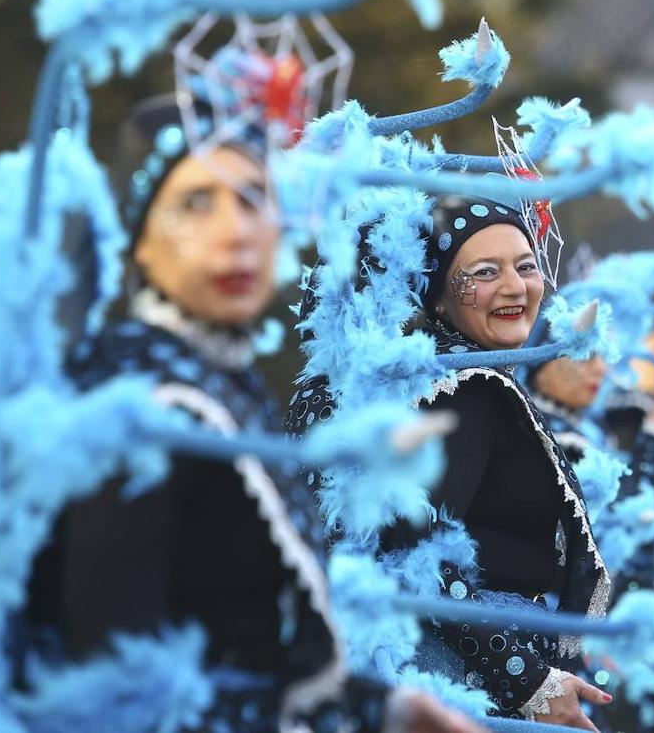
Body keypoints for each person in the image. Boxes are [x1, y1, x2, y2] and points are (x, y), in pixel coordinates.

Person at [24, 96, 477, 733]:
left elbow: (244, 642)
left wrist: (385, 709)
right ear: (140, 241)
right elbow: (113, 692)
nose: (236, 232)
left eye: (253, 198)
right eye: (196, 202)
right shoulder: (138, 402)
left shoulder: (219, 378)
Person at [288, 198, 614, 730]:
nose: (515, 287)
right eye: (485, 272)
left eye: (525, 266)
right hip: (463, 682)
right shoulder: (465, 390)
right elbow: (413, 557)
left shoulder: (455, 382)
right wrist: (526, 678)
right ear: (438, 298)